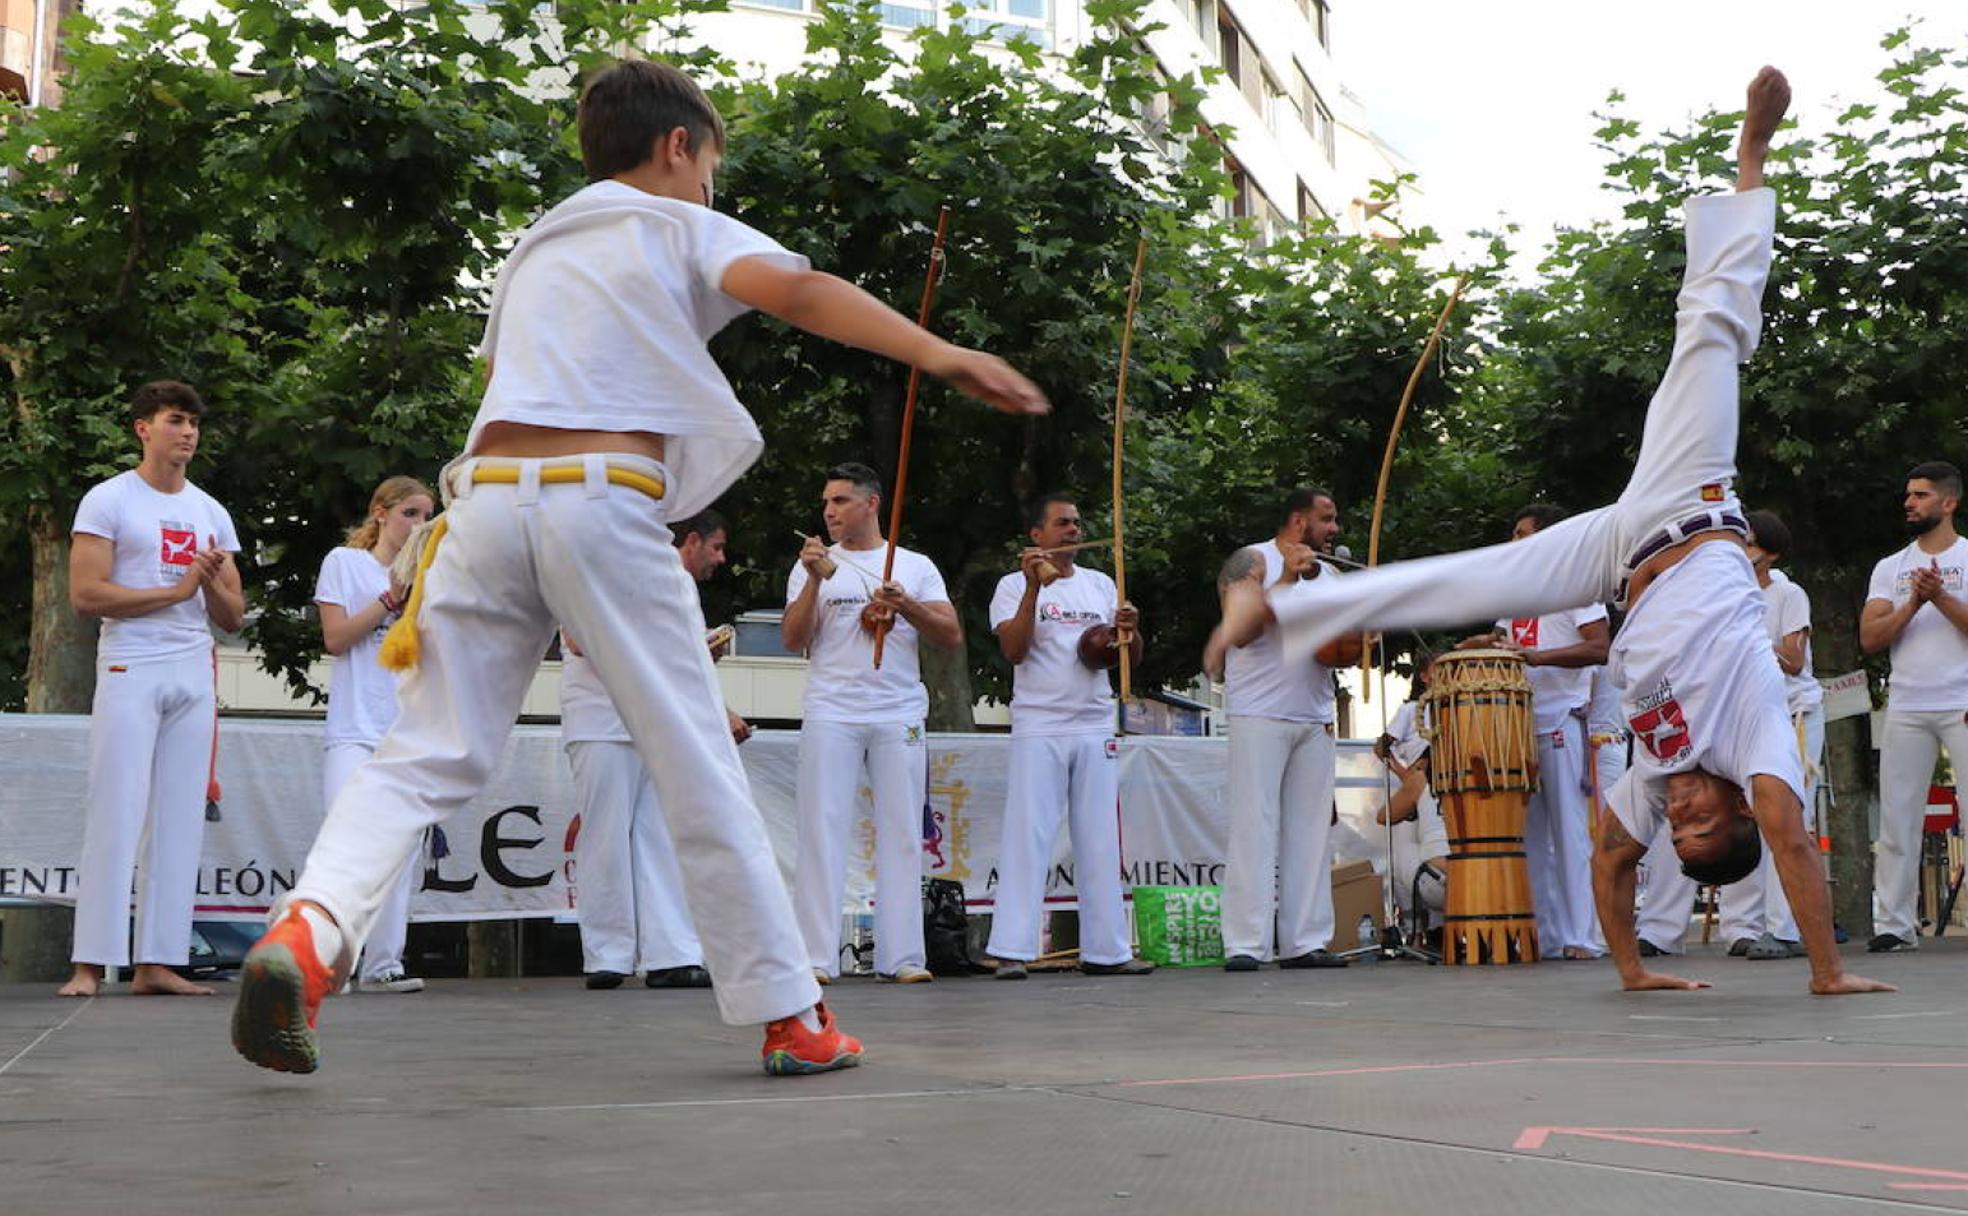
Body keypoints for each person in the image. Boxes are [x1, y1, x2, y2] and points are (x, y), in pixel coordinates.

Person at [231, 57, 1047, 1077]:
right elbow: (800, 289)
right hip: (603, 502)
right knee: (694, 755)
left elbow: (500, 377)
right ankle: (792, 1016)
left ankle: (309, 929)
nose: (711, 190)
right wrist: (941, 355)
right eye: (711, 171)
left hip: (481, 508)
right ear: (677, 146)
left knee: (427, 750)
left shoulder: (536, 245)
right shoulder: (675, 223)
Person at [1222, 68, 1889, 997]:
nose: (1683, 811)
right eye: (1703, 819)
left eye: (1682, 829)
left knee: (1477, 579)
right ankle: (1753, 154)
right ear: (1740, 805)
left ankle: (1291, 605)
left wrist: (1633, 971)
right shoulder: (1757, 746)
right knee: (1710, 329)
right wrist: (1826, 972)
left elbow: (1613, 861)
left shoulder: (1654, 783)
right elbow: (1790, 837)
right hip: (1691, 506)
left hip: (1619, 560)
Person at [61, 380, 245, 998]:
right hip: (131, 664)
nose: (188, 432)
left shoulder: (210, 511)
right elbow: (86, 595)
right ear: (143, 428)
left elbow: (234, 615)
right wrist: (176, 589)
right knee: (116, 808)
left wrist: (209, 583)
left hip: (192, 668)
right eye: (175, 420)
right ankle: (91, 963)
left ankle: (159, 960)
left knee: (179, 818)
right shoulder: (109, 499)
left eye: (193, 422)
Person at [784, 463, 958, 985]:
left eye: (839, 500)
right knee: (822, 829)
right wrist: (812, 580)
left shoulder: (915, 565)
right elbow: (793, 639)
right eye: (826, 502)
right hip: (831, 710)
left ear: (872, 503)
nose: (829, 511)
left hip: (898, 711)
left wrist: (906, 605)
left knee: (903, 831)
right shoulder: (814, 563)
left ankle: (902, 957)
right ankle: (816, 957)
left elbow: (949, 634)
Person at [562, 508, 737, 991]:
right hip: (602, 719)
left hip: (658, 723)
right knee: (606, 836)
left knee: (661, 837)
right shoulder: (592, 565)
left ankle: (672, 952)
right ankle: (608, 953)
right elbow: (578, 640)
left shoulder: (672, 583)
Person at [1632, 509, 1818, 960]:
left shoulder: (1787, 594)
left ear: (1770, 553)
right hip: (1718, 717)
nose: (1740, 549)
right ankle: (1663, 929)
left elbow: (1794, 661)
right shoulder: (1712, 592)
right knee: (1693, 817)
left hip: (1781, 716)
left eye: (1749, 543)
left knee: (1768, 819)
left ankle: (1765, 928)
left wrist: (1741, 641)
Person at [986, 493, 1152, 979]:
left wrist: (1130, 630)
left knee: (1100, 839)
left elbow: (1128, 658)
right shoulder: (1011, 584)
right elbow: (1014, 651)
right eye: (1063, 523)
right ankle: (1012, 950)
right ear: (1037, 534)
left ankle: (1107, 951)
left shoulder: (1101, 584)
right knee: (1028, 835)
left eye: (1077, 523)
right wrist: (1032, 589)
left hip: (1094, 722)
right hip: (1040, 723)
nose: (1074, 530)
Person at [1460, 504, 1611, 960]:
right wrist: (1482, 644)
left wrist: (1539, 658)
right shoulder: (1516, 593)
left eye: (1522, 533)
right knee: (1530, 837)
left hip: (1562, 719)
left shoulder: (1576, 587)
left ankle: (1582, 936)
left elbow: (1600, 647)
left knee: (1570, 833)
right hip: (1518, 726)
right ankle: (1544, 936)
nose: (1514, 542)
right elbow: (1506, 641)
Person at [1206, 488, 1349, 971]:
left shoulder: (1331, 575)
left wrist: (1360, 634)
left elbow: (1341, 646)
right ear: (1298, 520)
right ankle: (1245, 944)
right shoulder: (1251, 560)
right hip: (1259, 713)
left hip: (1314, 715)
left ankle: (1305, 941)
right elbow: (1241, 632)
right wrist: (1287, 578)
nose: (1335, 529)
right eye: (1327, 519)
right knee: (1254, 827)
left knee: (1311, 833)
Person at [313, 475, 437, 993]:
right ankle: (333, 963)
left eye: (426, 516)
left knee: (399, 850)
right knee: (343, 845)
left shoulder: (432, 576)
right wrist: (390, 601)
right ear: (380, 513)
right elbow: (336, 638)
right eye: (410, 513)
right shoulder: (345, 563)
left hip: (405, 729)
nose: (419, 524)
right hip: (354, 727)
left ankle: (384, 964)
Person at [1861, 461, 1968, 953]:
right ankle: (1894, 925)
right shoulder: (1891, 567)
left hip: (1962, 702)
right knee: (1897, 817)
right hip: (1906, 704)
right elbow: (1870, 638)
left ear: (1949, 502)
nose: (1909, 503)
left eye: (1921, 495)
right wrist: (1913, 603)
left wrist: (1940, 595)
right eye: (1908, 495)